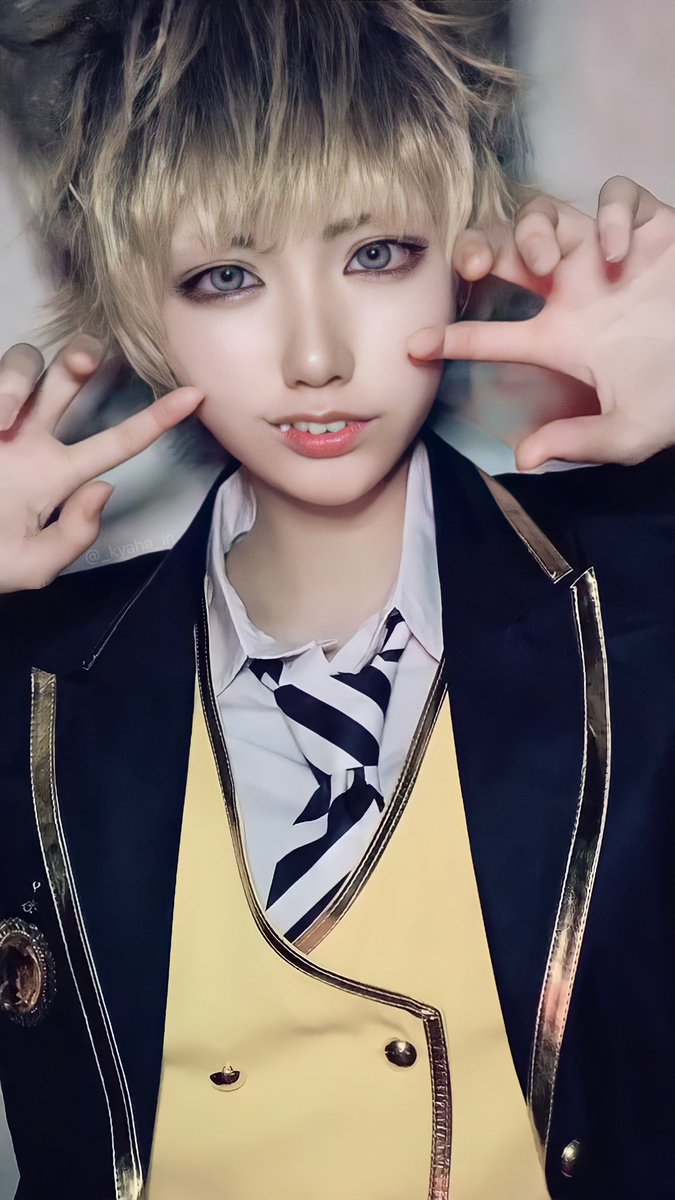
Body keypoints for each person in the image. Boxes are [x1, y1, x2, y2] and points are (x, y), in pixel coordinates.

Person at [0, 2, 674, 1198]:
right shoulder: (34, 688)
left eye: (375, 255)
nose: (315, 356)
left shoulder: (639, 599)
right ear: (138, 303)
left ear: (460, 246)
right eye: (226, 277)